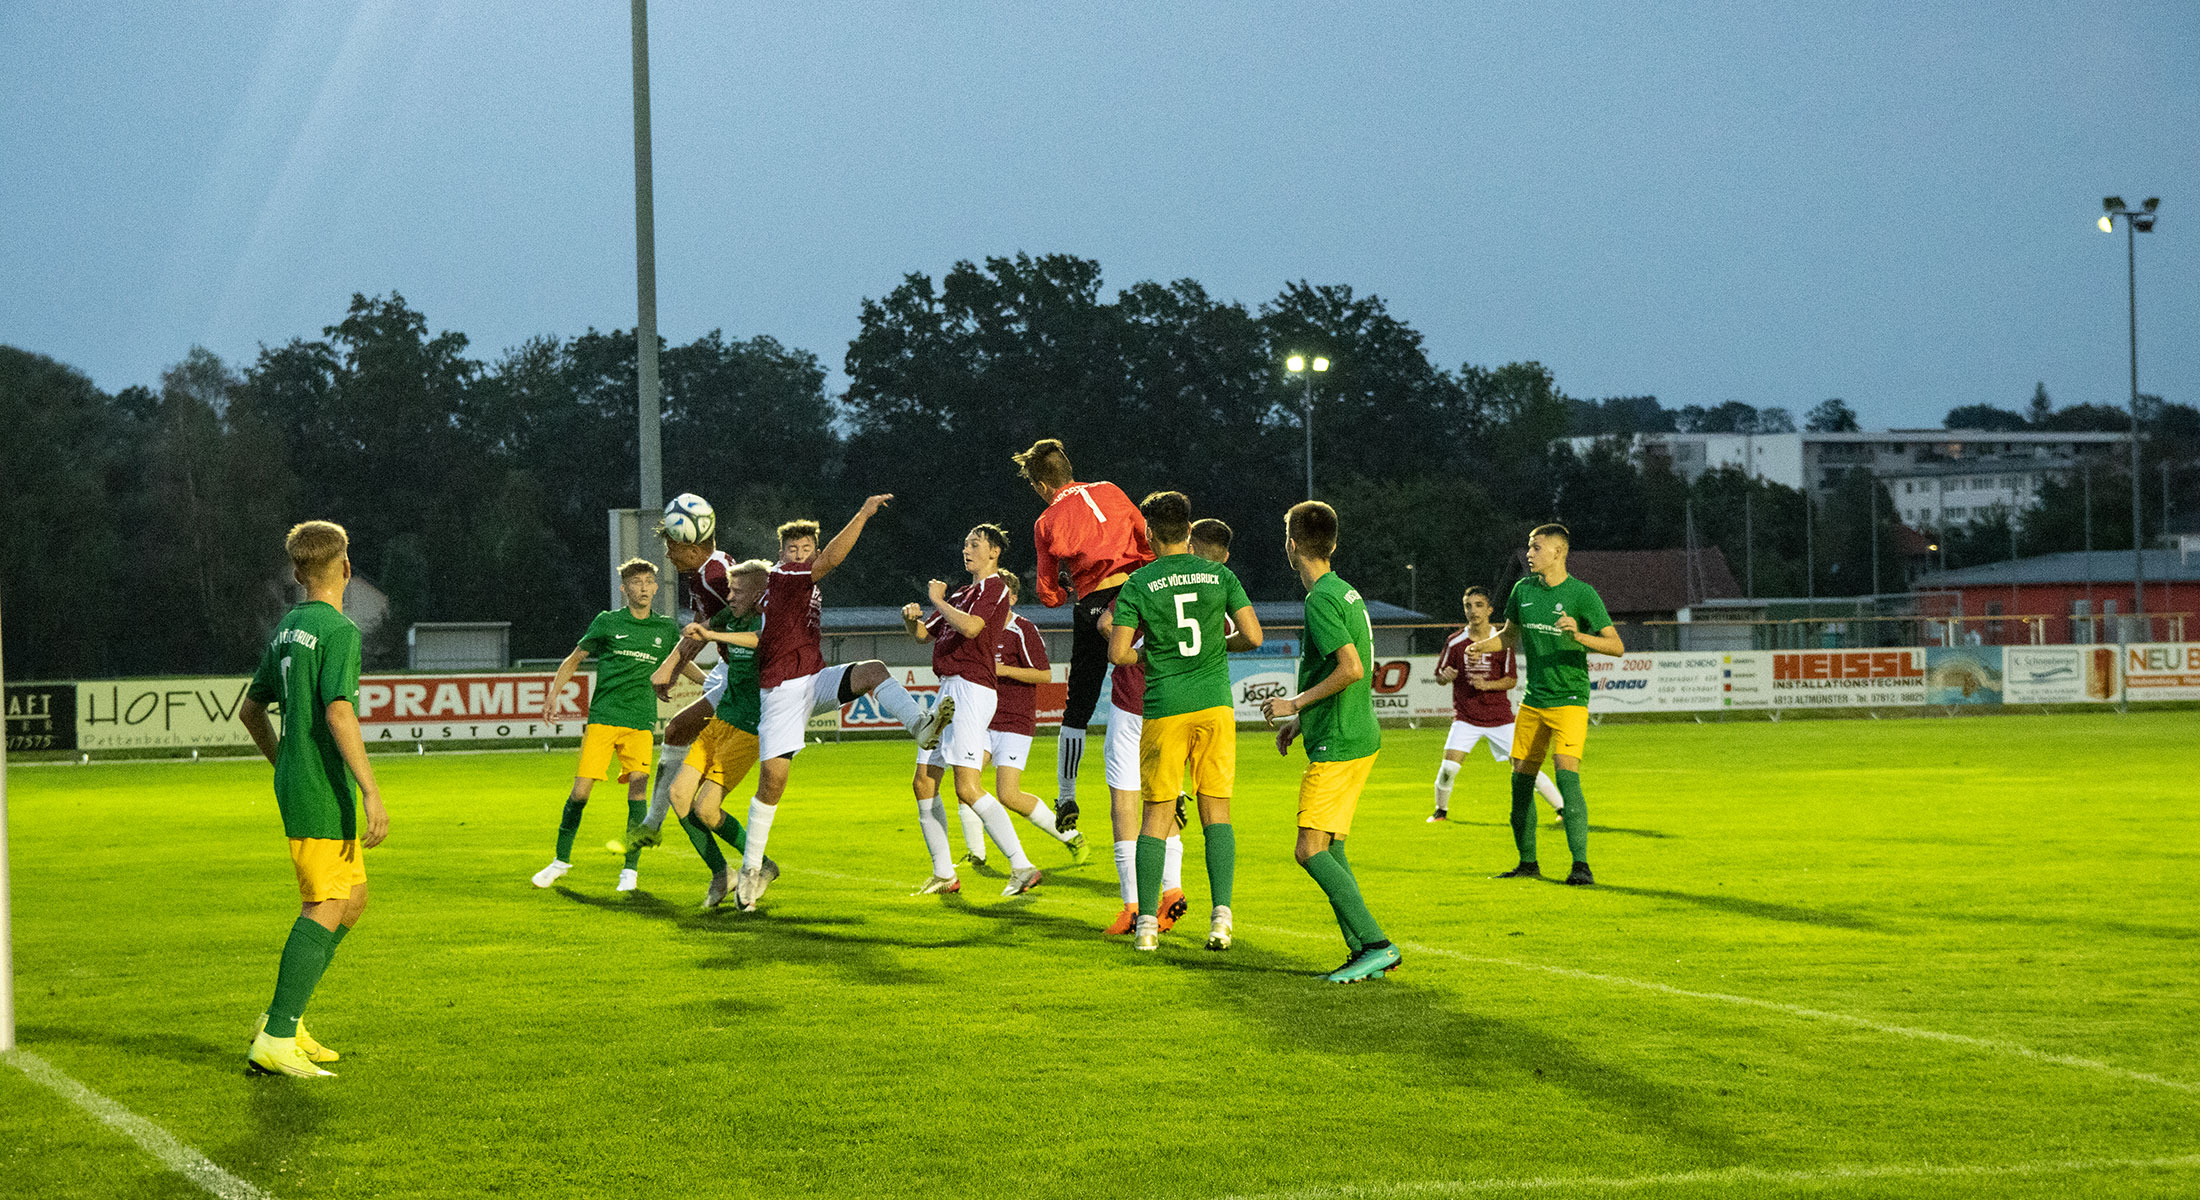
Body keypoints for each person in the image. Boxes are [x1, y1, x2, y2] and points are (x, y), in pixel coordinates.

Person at [735, 497, 951, 909]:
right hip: (781, 690)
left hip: (813, 679)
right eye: (791, 549)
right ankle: (750, 868)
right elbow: (832, 559)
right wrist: (864, 513)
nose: (798, 555)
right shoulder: (785, 575)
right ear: (780, 555)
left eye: (805, 549)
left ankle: (921, 726)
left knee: (873, 669)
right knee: (772, 784)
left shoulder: (802, 583)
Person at [236, 520, 390, 1077]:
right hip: (324, 789)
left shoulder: (286, 629)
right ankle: (276, 1035)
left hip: (308, 784)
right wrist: (372, 790)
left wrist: (284, 764)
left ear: (299, 573)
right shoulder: (339, 630)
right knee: (324, 905)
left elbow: (251, 711)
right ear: (345, 568)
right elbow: (338, 710)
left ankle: (289, 1019)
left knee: (352, 899)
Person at [1108, 491, 1263, 952]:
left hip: (1165, 706)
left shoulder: (1138, 582)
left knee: (1155, 815)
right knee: (1217, 812)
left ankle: (1148, 926)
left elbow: (1118, 654)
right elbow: (1253, 636)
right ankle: (1221, 919)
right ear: (1189, 531)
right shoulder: (1220, 574)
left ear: (1150, 533)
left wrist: (1150, 652)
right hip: (1215, 704)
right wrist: (1218, 647)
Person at [1262, 501, 1400, 983]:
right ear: (1333, 544)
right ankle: (1362, 949)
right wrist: (1302, 721)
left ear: (1292, 545)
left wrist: (1294, 705)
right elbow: (1341, 669)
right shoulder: (1346, 593)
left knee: (1309, 849)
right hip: (1354, 732)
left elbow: (1351, 668)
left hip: (1340, 742)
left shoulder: (1320, 598)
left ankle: (1379, 944)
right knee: (1331, 848)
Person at [1466, 523, 1624, 886]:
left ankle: (1581, 866)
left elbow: (1616, 646)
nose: (1530, 553)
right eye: (1529, 547)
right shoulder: (1522, 590)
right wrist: (1481, 646)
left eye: (1536, 548)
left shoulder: (1582, 595)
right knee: (1519, 782)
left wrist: (1579, 636)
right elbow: (1508, 636)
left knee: (1567, 774)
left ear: (1557, 552)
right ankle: (1527, 863)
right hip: (1533, 701)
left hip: (1569, 699)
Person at [1014, 438, 1154, 834]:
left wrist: (1063, 588)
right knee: (1149, 691)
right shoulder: (1110, 489)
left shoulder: (1046, 521)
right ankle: (1168, 786)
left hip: (1094, 603)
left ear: (1042, 486)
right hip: (1137, 595)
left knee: (1078, 706)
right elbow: (1146, 541)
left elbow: (1047, 593)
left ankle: (1066, 794)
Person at [902, 526, 1043, 898]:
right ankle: (944, 873)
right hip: (948, 694)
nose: (967, 549)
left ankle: (1022, 865)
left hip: (971, 691)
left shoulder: (993, 588)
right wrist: (910, 617)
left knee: (966, 787)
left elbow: (972, 627)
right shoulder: (964, 592)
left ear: (994, 552)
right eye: (965, 543)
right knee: (923, 781)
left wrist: (938, 601)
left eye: (975, 544)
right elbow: (921, 635)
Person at [533, 559, 688, 893]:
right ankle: (560, 862)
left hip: (641, 721)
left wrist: (713, 688)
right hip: (604, 716)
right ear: (624, 589)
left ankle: (630, 871)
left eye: (649, 582)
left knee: (637, 789)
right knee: (580, 792)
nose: (644, 588)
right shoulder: (607, 622)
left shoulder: (665, 629)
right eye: (636, 582)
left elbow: (681, 663)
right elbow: (574, 659)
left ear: (656, 588)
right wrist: (553, 695)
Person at [655, 559, 774, 909]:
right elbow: (702, 627)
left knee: (707, 810)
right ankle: (722, 872)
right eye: (729, 590)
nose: (730, 596)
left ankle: (763, 863)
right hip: (720, 722)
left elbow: (757, 640)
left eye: (738, 591)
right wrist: (691, 633)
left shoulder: (766, 621)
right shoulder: (729, 617)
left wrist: (711, 634)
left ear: (758, 593)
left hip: (748, 729)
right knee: (679, 796)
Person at [956, 570, 1088, 866]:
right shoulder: (978, 629)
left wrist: (1004, 670)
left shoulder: (1022, 629)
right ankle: (976, 853)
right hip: (982, 720)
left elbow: (1044, 674)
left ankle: (1071, 837)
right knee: (966, 784)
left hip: (1015, 721)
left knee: (1008, 794)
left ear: (1012, 598)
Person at [1429, 586, 1566, 823]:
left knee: (1525, 767)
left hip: (1500, 719)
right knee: (1449, 768)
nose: (1473, 611)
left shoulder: (1503, 640)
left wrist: (1487, 685)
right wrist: (1446, 676)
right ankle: (1440, 811)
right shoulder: (1455, 642)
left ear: (1490, 609)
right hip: (1466, 718)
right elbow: (1440, 676)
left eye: (1479, 605)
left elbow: (1511, 680)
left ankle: (1563, 809)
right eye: (1468, 606)